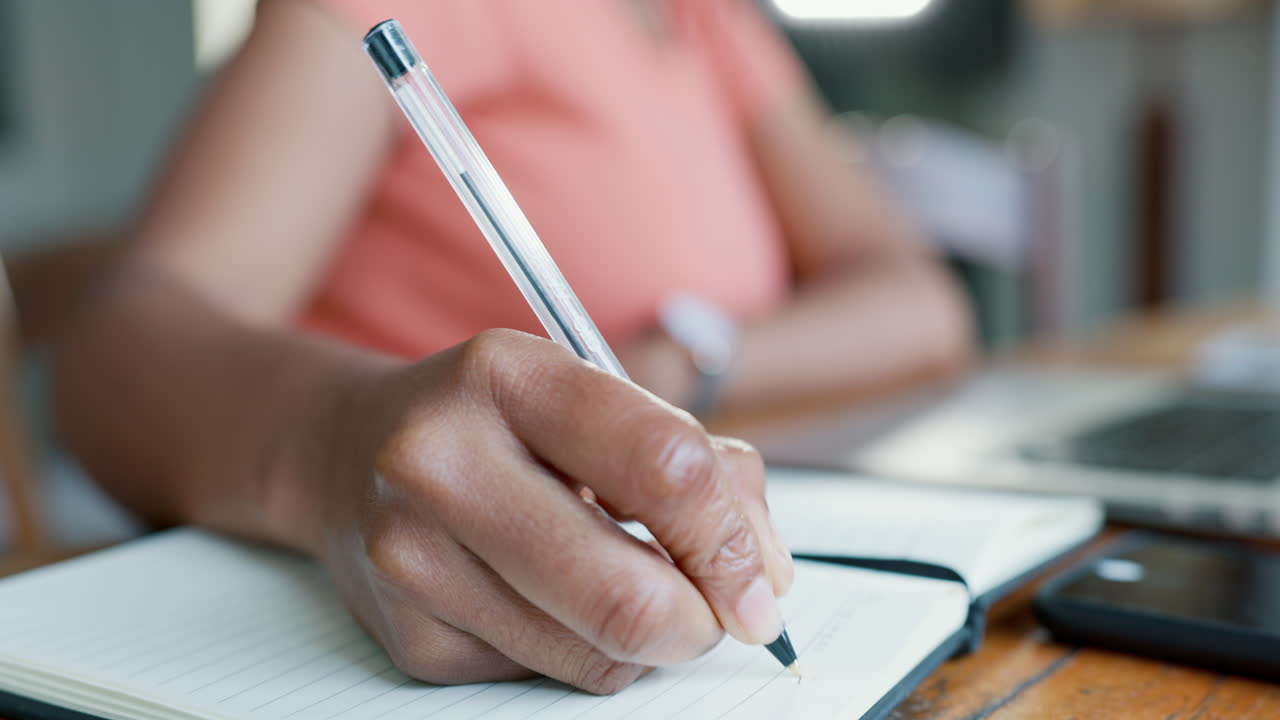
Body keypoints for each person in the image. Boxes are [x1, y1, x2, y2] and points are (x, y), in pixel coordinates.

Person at [52, 0, 972, 695]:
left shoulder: (708, 18)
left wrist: (676, 363)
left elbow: (922, 302)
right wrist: (342, 447)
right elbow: (117, 351)